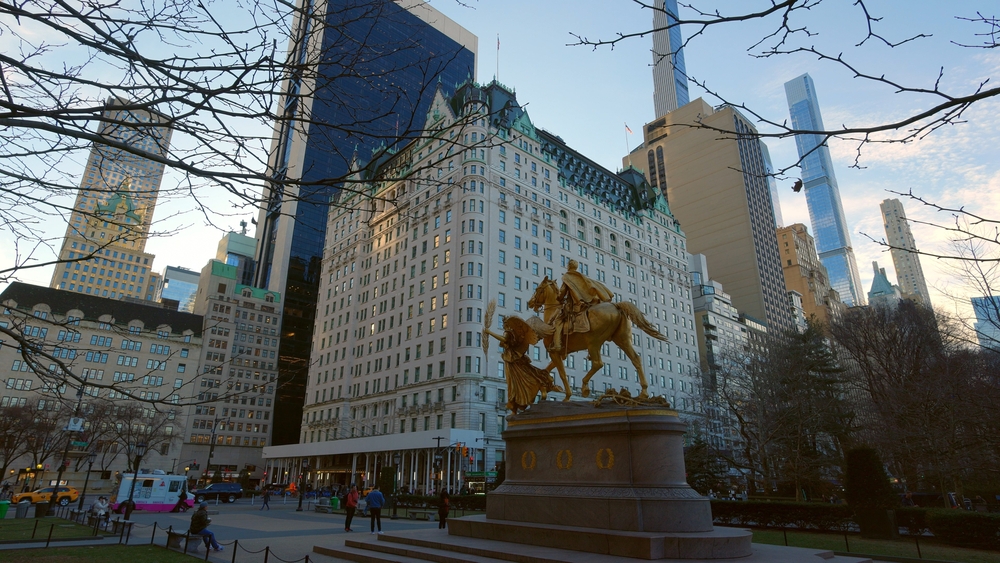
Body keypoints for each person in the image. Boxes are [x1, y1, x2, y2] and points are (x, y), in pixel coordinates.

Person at [485, 316, 560, 413]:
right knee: (521, 380)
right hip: (513, 361)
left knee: (515, 384)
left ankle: (516, 404)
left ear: (507, 325)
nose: (503, 326)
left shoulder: (508, 333)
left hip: (513, 361)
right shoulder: (514, 334)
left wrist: (489, 332)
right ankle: (537, 390)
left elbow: (504, 339)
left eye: (504, 324)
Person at [552, 259, 613, 352]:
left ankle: (557, 344)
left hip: (575, 305)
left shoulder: (567, 277)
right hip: (588, 303)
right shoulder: (581, 277)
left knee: (558, 320)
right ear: (576, 267)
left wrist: (559, 298)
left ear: (568, 266)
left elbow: (562, 292)